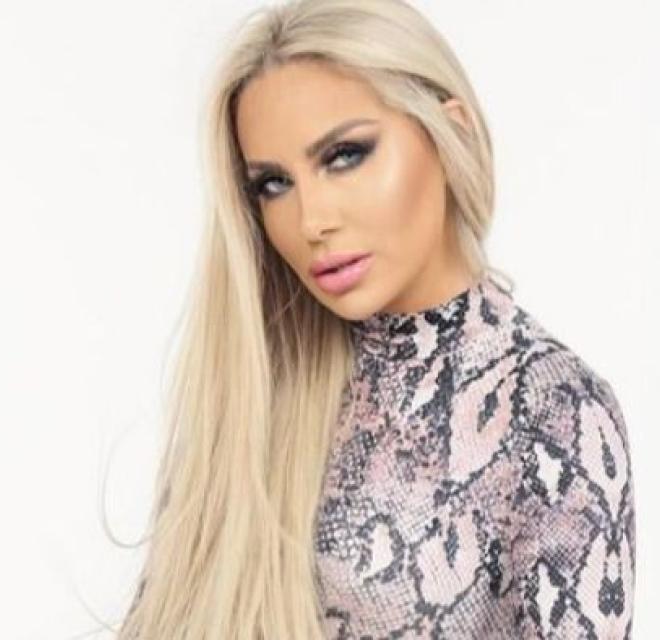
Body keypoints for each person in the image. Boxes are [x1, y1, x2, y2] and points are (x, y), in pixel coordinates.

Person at [112, 0, 636, 637]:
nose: (311, 221)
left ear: (450, 134)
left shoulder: (552, 409)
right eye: (274, 184)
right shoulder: (255, 388)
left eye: (344, 156)